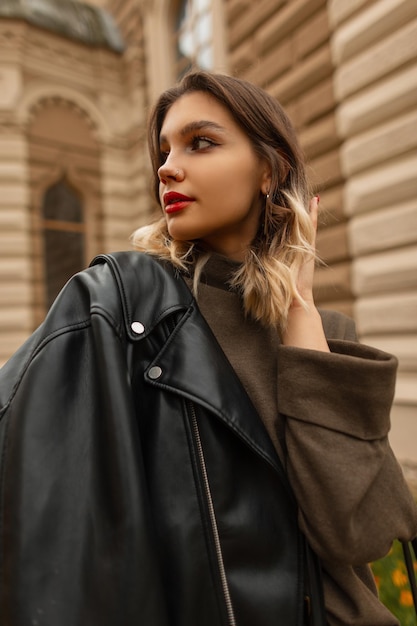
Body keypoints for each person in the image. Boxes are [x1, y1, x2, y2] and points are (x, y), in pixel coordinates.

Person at [0, 71, 416, 626]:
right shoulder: (130, 306)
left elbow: (357, 533)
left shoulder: (330, 332)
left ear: (270, 170)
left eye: (201, 142)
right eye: (165, 149)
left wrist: (299, 315)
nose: (167, 166)